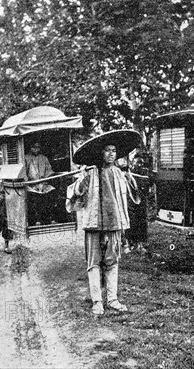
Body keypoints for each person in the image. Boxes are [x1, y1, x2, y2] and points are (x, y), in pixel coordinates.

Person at [67, 130, 141, 316]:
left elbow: (132, 197)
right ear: (100, 153)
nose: (111, 154)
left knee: (112, 262)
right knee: (94, 264)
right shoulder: (90, 173)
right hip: (94, 224)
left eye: (114, 151)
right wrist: (82, 179)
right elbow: (75, 193)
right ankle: (97, 301)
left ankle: (113, 299)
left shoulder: (119, 174)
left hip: (114, 224)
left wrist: (130, 179)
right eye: (107, 150)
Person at [125, 152, 153, 254]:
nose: (139, 164)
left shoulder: (145, 172)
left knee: (141, 222)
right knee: (130, 221)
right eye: (137, 162)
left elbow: (149, 184)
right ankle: (128, 244)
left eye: (141, 162)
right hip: (130, 201)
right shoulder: (128, 172)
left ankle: (140, 245)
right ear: (133, 162)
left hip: (142, 201)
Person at [24, 141, 55, 224]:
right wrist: (29, 182)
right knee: (34, 199)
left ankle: (50, 218)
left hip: (44, 183)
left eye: (38, 147)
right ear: (30, 148)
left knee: (51, 194)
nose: (36, 149)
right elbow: (24, 173)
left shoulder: (44, 158)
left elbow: (49, 171)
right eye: (34, 147)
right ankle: (36, 220)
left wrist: (46, 179)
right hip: (31, 185)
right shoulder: (25, 158)